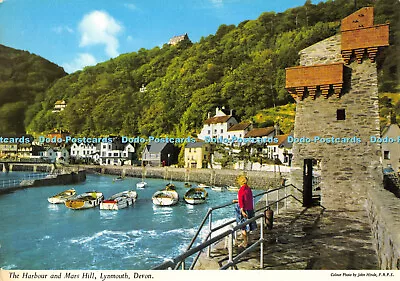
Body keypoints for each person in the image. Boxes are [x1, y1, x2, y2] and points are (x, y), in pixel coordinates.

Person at [232, 175, 256, 248]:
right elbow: (247, 199)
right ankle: (247, 240)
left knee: (243, 226)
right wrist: (237, 201)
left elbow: (242, 202)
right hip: (250, 209)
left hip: (244, 209)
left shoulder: (241, 190)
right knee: (249, 225)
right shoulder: (248, 189)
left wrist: (242, 211)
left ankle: (245, 242)